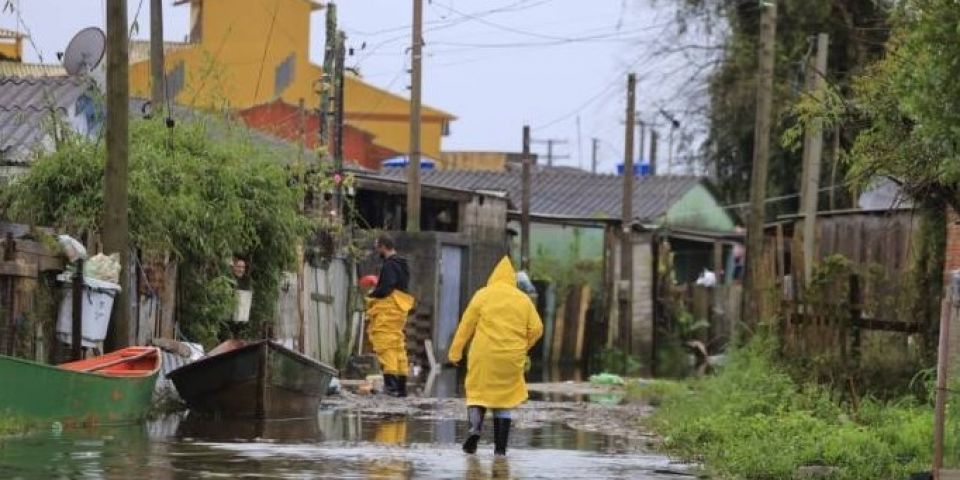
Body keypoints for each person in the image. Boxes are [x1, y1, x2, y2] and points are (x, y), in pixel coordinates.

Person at [448, 256, 544, 456]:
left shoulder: (482, 295)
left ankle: (474, 431)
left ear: (493, 276)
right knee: (505, 399)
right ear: (512, 279)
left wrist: (455, 352)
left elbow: (466, 326)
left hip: (484, 355)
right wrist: (523, 346)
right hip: (511, 357)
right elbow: (537, 328)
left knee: (476, 393)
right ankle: (500, 450)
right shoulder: (523, 299)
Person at [365, 234, 415, 398]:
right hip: (400, 308)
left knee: (385, 343)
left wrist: (372, 294)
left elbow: (386, 287)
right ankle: (401, 386)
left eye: (377, 247)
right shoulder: (403, 263)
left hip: (389, 308)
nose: (376, 250)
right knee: (397, 344)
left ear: (383, 246)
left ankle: (391, 386)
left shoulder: (389, 265)